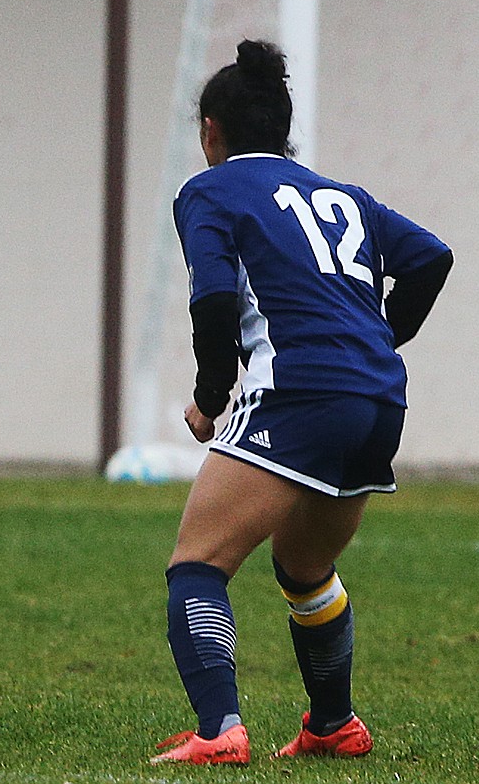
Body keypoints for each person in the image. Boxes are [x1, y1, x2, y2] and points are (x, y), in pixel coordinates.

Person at [150, 40, 452, 764]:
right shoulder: (343, 195)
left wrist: (208, 397)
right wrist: (383, 334)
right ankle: (332, 724)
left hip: (301, 390)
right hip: (378, 397)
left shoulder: (209, 190)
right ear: (285, 130)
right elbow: (431, 256)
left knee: (198, 564)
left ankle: (220, 729)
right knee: (305, 568)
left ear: (210, 133)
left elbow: (215, 298)